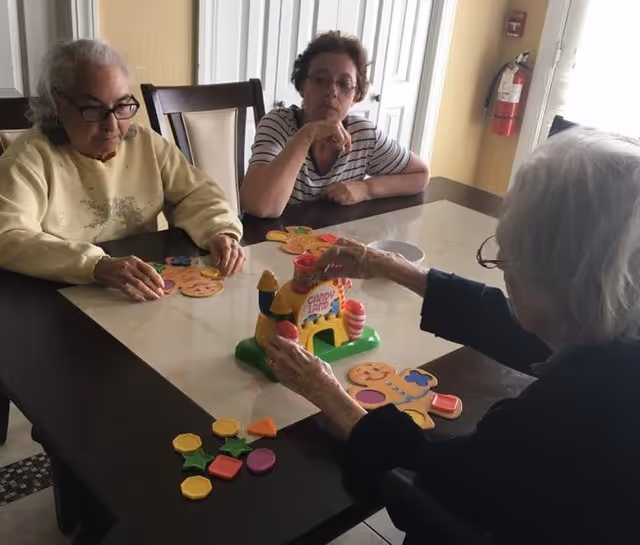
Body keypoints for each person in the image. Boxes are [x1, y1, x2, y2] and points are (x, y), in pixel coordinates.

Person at [266, 129, 640, 544]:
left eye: (508, 257)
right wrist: (390, 264)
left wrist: (333, 398)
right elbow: (520, 325)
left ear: (566, 281)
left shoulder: (558, 416)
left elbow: (438, 480)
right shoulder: (612, 326)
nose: (503, 272)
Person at [0, 40, 245, 302]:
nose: (112, 124)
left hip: (144, 290)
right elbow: (9, 236)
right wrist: (96, 265)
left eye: (122, 105)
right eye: (93, 109)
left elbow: (194, 193)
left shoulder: (145, 142)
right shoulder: (29, 158)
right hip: (61, 298)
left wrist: (218, 231)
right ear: (58, 104)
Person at [241, 31, 429, 218]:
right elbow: (259, 206)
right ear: (301, 86)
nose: (331, 91)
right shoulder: (278, 124)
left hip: (337, 240)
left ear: (356, 95)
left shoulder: (363, 135)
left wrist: (367, 188)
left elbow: (420, 174)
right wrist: (308, 134)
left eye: (344, 84)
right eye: (320, 80)